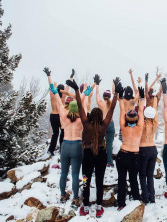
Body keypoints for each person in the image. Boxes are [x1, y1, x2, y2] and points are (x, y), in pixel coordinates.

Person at [67, 77, 121, 217]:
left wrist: (76, 91)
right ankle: (98, 207)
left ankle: (85, 207)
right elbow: (112, 109)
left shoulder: (86, 124)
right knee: (99, 181)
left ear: (91, 117)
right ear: (101, 117)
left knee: (86, 181)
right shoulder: (104, 126)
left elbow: (79, 105)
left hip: (88, 155)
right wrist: (116, 95)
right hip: (101, 154)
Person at [45, 67, 83, 210]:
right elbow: (83, 99)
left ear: (67, 106)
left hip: (65, 145)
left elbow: (54, 93)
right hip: (77, 145)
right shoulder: (80, 117)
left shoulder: (62, 112)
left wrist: (49, 76)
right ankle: (74, 198)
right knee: (74, 174)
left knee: (63, 173)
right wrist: (81, 90)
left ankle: (62, 195)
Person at [116, 86, 145, 211]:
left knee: (122, 181)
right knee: (134, 180)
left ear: (127, 119)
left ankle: (121, 204)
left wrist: (121, 97)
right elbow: (142, 112)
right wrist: (142, 98)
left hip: (123, 154)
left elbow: (122, 111)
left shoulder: (124, 127)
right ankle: (136, 201)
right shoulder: (139, 128)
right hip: (135, 156)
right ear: (136, 119)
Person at [44, 68, 74, 155]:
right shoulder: (64, 97)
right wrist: (71, 76)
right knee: (63, 132)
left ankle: (51, 150)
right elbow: (68, 86)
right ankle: (62, 149)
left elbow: (51, 85)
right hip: (61, 116)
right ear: (63, 90)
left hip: (53, 115)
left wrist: (49, 75)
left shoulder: (53, 96)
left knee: (55, 133)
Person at [139, 98, 158, 204]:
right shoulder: (155, 123)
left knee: (142, 174)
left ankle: (145, 197)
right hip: (153, 149)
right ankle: (152, 197)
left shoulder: (142, 123)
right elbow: (155, 109)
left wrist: (142, 98)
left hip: (143, 149)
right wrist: (154, 98)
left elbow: (140, 110)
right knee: (150, 175)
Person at [95, 74, 116, 167]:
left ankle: (100, 160)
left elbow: (96, 94)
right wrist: (114, 84)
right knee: (109, 144)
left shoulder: (100, 103)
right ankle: (110, 162)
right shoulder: (111, 104)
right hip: (110, 124)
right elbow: (115, 94)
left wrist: (97, 84)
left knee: (99, 143)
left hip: (102, 124)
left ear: (103, 96)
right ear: (110, 97)